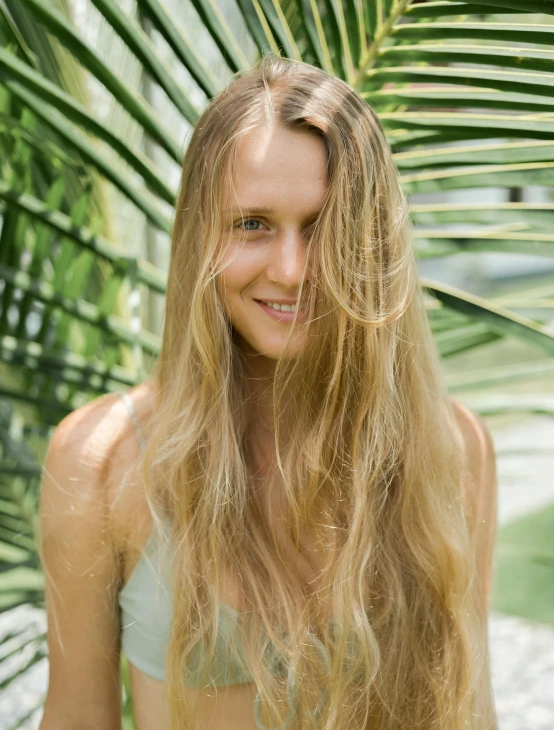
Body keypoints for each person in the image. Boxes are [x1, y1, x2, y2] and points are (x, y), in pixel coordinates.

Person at [37, 53, 498, 730]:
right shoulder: (101, 462)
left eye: (324, 226)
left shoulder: (450, 450)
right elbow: (77, 720)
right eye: (252, 223)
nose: (292, 269)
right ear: (202, 238)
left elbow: (472, 713)